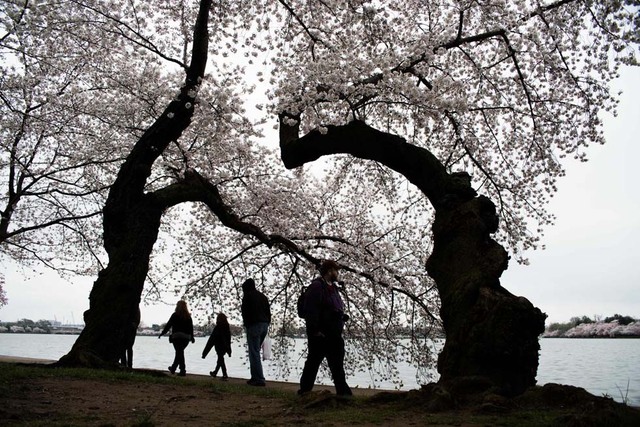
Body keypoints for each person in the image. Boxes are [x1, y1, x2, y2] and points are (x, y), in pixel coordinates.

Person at [298, 260, 352, 396]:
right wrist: (315, 330)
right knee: (313, 362)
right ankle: (304, 390)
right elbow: (311, 309)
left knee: (337, 363)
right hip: (321, 333)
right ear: (329, 271)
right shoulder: (317, 287)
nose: (338, 273)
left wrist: (340, 316)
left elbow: (333, 307)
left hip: (334, 332)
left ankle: (343, 392)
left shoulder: (333, 288)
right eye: (336, 270)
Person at [241, 278, 271, 386]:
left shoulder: (247, 296)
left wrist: (247, 325)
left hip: (254, 325)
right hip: (264, 324)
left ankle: (258, 378)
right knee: (256, 351)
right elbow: (268, 312)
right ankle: (255, 377)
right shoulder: (263, 296)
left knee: (254, 352)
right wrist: (267, 322)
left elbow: (245, 311)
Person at [159, 300, 195, 377]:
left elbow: (168, 325)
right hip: (186, 338)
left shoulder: (175, 315)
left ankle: (182, 370)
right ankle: (174, 368)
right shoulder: (188, 316)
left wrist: (163, 333)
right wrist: (192, 337)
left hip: (176, 337)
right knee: (179, 352)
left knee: (179, 352)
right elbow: (191, 328)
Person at [202, 312, 232, 380]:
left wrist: (205, 353)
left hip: (219, 346)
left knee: (221, 360)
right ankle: (215, 372)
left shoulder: (218, 327)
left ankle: (225, 374)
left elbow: (211, 340)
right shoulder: (227, 328)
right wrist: (229, 349)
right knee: (220, 360)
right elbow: (228, 339)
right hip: (225, 346)